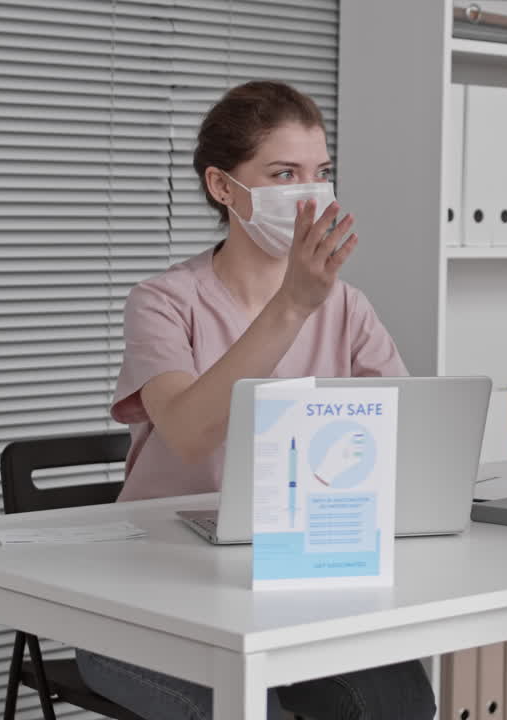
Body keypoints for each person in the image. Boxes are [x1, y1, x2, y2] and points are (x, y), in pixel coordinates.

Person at [73, 81, 436, 720]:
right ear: (223, 187)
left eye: (320, 172)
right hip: (152, 594)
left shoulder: (347, 307)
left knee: (398, 702)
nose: (310, 192)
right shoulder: (162, 302)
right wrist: (292, 304)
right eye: (284, 173)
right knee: (249, 711)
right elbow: (188, 433)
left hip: (291, 579)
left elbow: (412, 434)